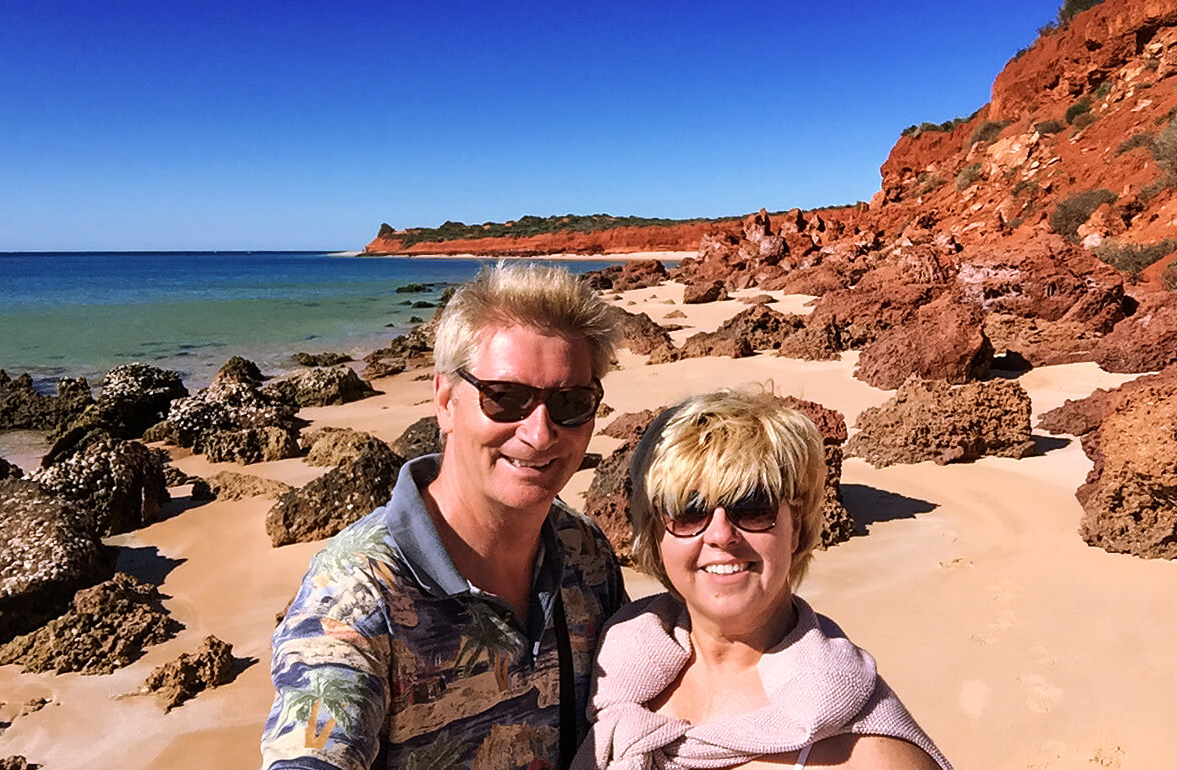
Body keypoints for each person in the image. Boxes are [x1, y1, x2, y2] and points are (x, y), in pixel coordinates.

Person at [262, 262, 625, 770]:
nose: (540, 433)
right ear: (445, 401)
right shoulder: (357, 593)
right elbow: (313, 742)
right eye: (506, 398)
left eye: (571, 402)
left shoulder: (584, 552)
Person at [574, 386, 951, 769]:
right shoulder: (612, 670)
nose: (721, 535)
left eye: (753, 506)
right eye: (688, 510)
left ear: (798, 528)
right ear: (655, 534)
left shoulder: (865, 750)